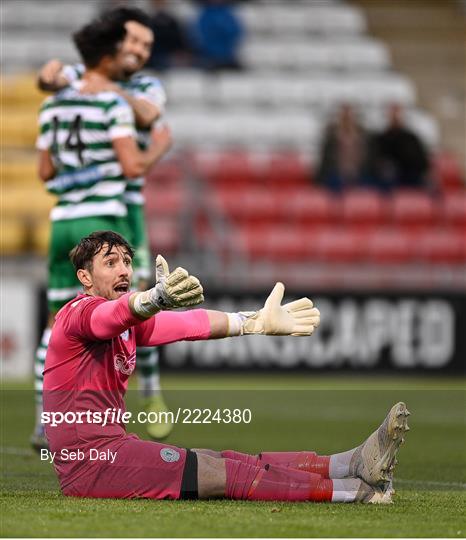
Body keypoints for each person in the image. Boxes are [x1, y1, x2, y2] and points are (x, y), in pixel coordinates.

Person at [42, 230, 409, 503]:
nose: (122, 269)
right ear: (85, 278)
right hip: (91, 465)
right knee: (223, 474)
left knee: (226, 458)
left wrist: (251, 322)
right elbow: (117, 313)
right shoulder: (79, 314)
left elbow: (191, 325)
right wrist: (155, 298)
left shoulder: (127, 326)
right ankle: (354, 492)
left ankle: (349, 464)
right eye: (110, 263)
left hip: (110, 450)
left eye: (126, 261)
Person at [33, 7, 173, 450]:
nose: (138, 50)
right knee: (135, 304)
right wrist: (159, 150)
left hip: (64, 217)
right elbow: (140, 146)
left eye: (146, 46)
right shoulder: (104, 96)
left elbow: (45, 170)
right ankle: (121, 404)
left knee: (62, 319)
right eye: (132, 42)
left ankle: (48, 414)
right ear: (115, 45)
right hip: (112, 212)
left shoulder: (134, 86)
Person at [371, 103, 430, 190]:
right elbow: (376, 160)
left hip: (411, 175)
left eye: (397, 113)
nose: (395, 117)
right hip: (389, 178)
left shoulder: (412, 138)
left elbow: (422, 161)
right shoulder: (381, 138)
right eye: (392, 113)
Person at [316, 103, 373, 192]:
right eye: (344, 115)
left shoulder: (364, 136)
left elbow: (368, 158)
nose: (347, 117)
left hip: (360, 174)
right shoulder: (331, 137)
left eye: (349, 115)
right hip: (336, 174)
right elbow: (326, 160)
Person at [190, 0, 244, 71]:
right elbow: (199, 36)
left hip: (227, 55)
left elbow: (235, 33)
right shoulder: (203, 15)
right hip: (207, 56)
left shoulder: (228, 14)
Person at [147, 0, 191, 71]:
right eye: (157, 4)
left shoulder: (172, 22)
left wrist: (180, 54)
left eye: (162, 3)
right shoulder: (148, 22)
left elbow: (179, 42)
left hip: (171, 57)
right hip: (154, 58)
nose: (160, 6)